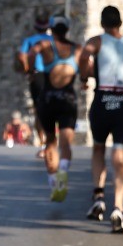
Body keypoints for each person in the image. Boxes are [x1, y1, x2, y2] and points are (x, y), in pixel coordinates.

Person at [78, 6, 123, 232]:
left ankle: (98, 196)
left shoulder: (97, 41)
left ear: (102, 23)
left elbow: (84, 55)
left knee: (98, 148)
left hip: (102, 99)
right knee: (120, 155)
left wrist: (84, 76)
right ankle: (118, 207)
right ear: (120, 23)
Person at [26, 16, 79, 201]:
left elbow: (31, 53)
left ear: (52, 30)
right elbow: (87, 68)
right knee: (66, 143)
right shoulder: (76, 49)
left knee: (50, 141)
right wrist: (85, 78)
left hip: (48, 98)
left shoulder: (45, 46)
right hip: (67, 99)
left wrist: (31, 71)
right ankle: (63, 170)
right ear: (67, 30)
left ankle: (52, 180)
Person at [16, 13, 54, 122]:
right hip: (53, 75)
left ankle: (42, 137)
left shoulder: (29, 40)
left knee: (39, 108)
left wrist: (28, 70)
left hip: (37, 75)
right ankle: (53, 135)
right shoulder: (53, 40)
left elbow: (22, 56)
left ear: (35, 27)